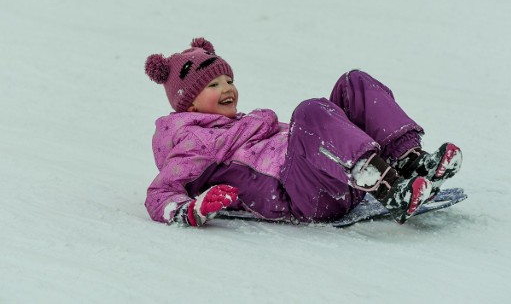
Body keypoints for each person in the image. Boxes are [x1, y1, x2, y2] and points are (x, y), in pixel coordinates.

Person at [144, 37, 462, 227]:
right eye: (213, 85)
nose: (228, 89)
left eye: (229, 81)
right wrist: (190, 210)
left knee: (353, 83)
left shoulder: (240, 124)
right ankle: (389, 187)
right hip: (302, 196)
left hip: (331, 177)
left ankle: (409, 160)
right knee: (309, 112)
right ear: (189, 104)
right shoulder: (192, 141)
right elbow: (159, 193)